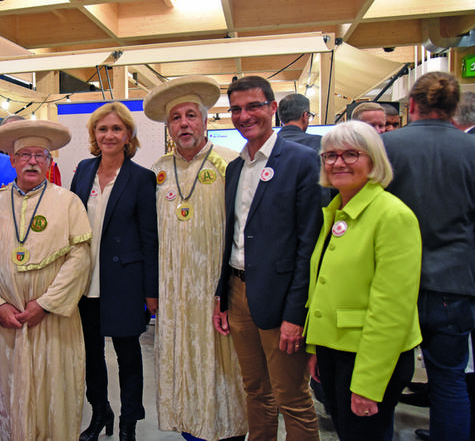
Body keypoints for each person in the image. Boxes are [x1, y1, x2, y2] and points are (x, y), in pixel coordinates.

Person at [213, 75, 322, 441]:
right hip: (239, 292)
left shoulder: (302, 161)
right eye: (236, 109)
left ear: (273, 108)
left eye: (253, 106)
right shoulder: (234, 168)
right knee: (256, 392)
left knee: (292, 397)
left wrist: (296, 314)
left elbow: (309, 245)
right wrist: (222, 296)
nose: (244, 116)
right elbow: (232, 236)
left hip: (281, 300)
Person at [144, 75, 247, 441]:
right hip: (173, 293)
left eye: (191, 115)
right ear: (168, 126)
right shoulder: (156, 172)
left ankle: (231, 431)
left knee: (225, 365)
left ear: (205, 121)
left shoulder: (231, 165)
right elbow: (148, 237)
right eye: (176, 118)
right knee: (182, 361)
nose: (184, 123)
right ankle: (190, 429)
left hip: (219, 291)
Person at [305, 120, 422, 440]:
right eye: (329, 156)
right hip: (335, 351)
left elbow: (392, 309)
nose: (338, 162)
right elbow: (326, 287)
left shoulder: (391, 216)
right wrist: (317, 347)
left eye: (351, 154)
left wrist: (368, 384)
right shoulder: (337, 211)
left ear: (374, 159)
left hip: (370, 358)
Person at [0, 119, 92, 441]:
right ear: (12, 161)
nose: (32, 161)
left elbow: (80, 258)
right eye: (24, 155)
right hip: (6, 325)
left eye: (40, 155)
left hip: (52, 323)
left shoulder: (68, 202)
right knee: (7, 400)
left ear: (49, 162)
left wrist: (45, 303)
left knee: (52, 393)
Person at [383, 72, 475, 441]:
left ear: (412, 106)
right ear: (454, 109)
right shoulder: (470, 150)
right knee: (450, 379)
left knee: (383, 379)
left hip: (394, 283)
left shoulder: (387, 147)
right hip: (454, 285)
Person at [70, 101, 158, 441]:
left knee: (127, 355)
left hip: (125, 282)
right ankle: (100, 411)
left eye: (116, 129)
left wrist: (151, 291)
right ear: (94, 134)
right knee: (92, 355)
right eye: (102, 129)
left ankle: (129, 420)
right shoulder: (82, 171)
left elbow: (150, 238)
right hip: (85, 281)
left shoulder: (141, 178)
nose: (109, 135)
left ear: (128, 135)